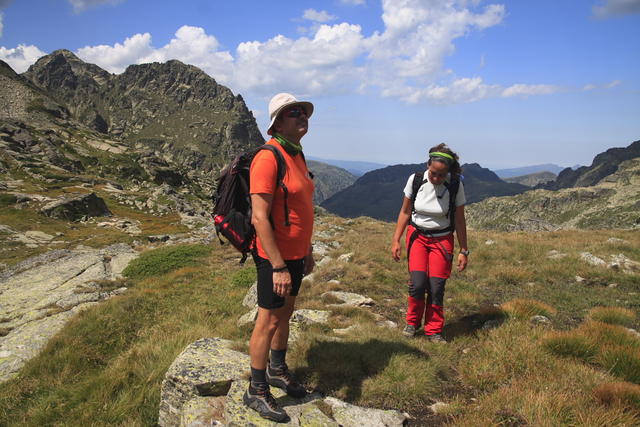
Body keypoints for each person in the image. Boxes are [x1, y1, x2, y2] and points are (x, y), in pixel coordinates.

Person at [243, 93, 315, 422]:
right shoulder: (268, 157)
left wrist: (308, 250)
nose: (302, 117)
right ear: (278, 122)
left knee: (285, 314)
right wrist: (278, 266)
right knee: (268, 320)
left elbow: (300, 209)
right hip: (275, 259)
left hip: (295, 255)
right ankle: (256, 390)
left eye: (303, 112)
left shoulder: (295, 154)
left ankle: (277, 369)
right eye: (294, 113)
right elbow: (260, 218)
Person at [390, 143, 469, 343]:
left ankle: (433, 329)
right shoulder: (416, 180)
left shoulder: (455, 185)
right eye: (433, 173)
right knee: (417, 284)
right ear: (428, 165)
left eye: (441, 175)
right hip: (417, 236)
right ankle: (412, 322)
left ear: (448, 172)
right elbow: (405, 212)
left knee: (436, 286)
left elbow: (460, 220)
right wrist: (396, 240)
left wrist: (464, 250)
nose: (436, 178)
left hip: (442, 239)